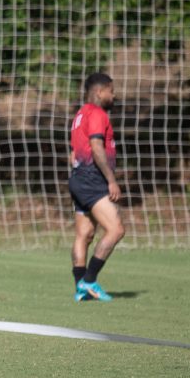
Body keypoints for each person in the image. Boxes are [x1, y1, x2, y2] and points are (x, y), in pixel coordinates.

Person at [69, 72, 125, 302]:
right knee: (116, 229)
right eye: (111, 91)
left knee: (84, 234)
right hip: (92, 179)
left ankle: (81, 290)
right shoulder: (97, 114)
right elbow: (95, 146)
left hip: (79, 177)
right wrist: (111, 179)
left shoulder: (80, 114)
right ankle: (89, 280)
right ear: (100, 92)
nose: (114, 95)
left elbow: (73, 152)